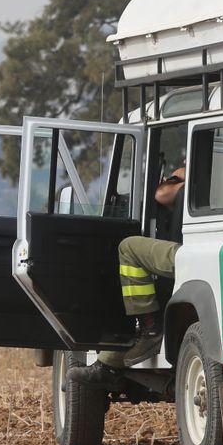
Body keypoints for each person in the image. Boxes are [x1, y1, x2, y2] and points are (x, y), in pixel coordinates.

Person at [68, 165, 185, 386]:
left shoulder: (212, 171)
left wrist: (179, 175)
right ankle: (109, 364)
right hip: (210, 254)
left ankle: (150, 327)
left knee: (128, 248)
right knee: (135, 292)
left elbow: (161, 194)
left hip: (192, 254)